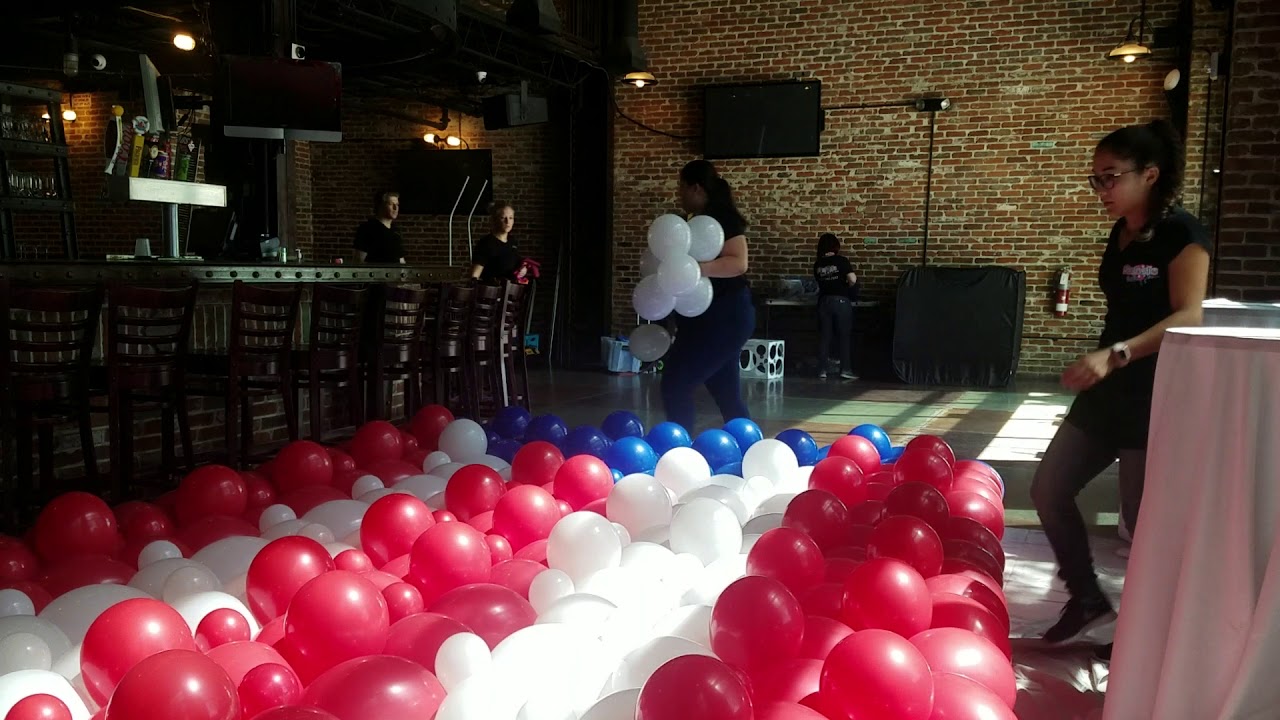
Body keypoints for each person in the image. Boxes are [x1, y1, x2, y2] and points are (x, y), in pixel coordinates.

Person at [1032, 119, 1211, 646]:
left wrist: (1118, 353)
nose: (1101, 190)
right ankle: (1086, 597)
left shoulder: (1183, 234)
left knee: (1141, 522)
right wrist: (1105, 361)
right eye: (1096, 179)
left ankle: (1152, 637)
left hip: (1156, 392)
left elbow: (1190, 316)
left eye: (1110, 177)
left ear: (1150, 175)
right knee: (1049, 488)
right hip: (1109, 388)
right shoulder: (1122, 233)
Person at [661, 160, 756, 432]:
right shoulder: (692, 222)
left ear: (697, 188)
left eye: (682, 187)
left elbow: (739, 263)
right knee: (726, 394)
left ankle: (678, 452)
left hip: (725, 317)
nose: (679, 194)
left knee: (676, 384)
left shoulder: (720, 219)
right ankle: (749, 447)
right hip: (704, 319)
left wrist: (694, 270)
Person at [813, 233, 858, 380]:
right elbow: (852, 278)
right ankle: (845, 369)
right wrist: (849, 286)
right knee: (844, 337)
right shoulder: (842, 260)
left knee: (825, 337)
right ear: (835, 246)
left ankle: (822, 370)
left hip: (824, 302)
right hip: (841, 301)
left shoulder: (818, 264)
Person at [470, 202, 526, 282]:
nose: (507, 222)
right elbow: (475, 274)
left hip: (511, 291)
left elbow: (515, 265)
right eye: (503, 218)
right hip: (492, 291)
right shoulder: (486, 243)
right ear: (495, 220)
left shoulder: (513, 242)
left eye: (511, 218)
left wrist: (522, 270)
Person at [353, 190, 406, 264]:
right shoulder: (367, 228)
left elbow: (401, 260)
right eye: (391, 204)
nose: (395, 208)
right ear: (381, 206)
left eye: (397, 204)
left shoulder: (396, 231)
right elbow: (359, 261)